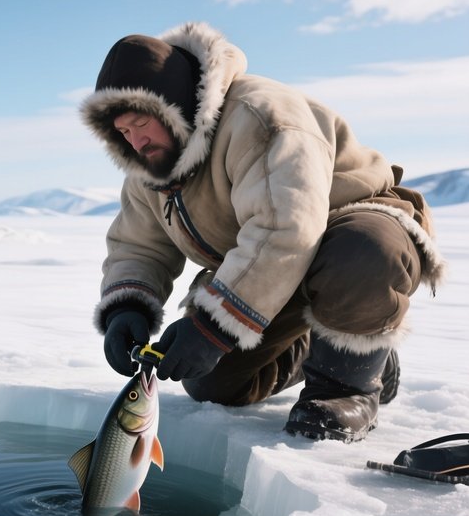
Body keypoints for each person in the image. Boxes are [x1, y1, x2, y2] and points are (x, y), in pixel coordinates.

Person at [80, 22, 445, 442]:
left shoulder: (261, 116)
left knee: (362, 251)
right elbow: (137, 244)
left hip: (349, 228)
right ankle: (340, 346)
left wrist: (213, 327)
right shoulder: (152, 167)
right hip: (269, 266)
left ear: (171, 104)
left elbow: (286, 226)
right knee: (213, 383)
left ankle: (349, 386)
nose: (136, 141)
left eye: (141, 122)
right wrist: (128, 307)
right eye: (123, 132)